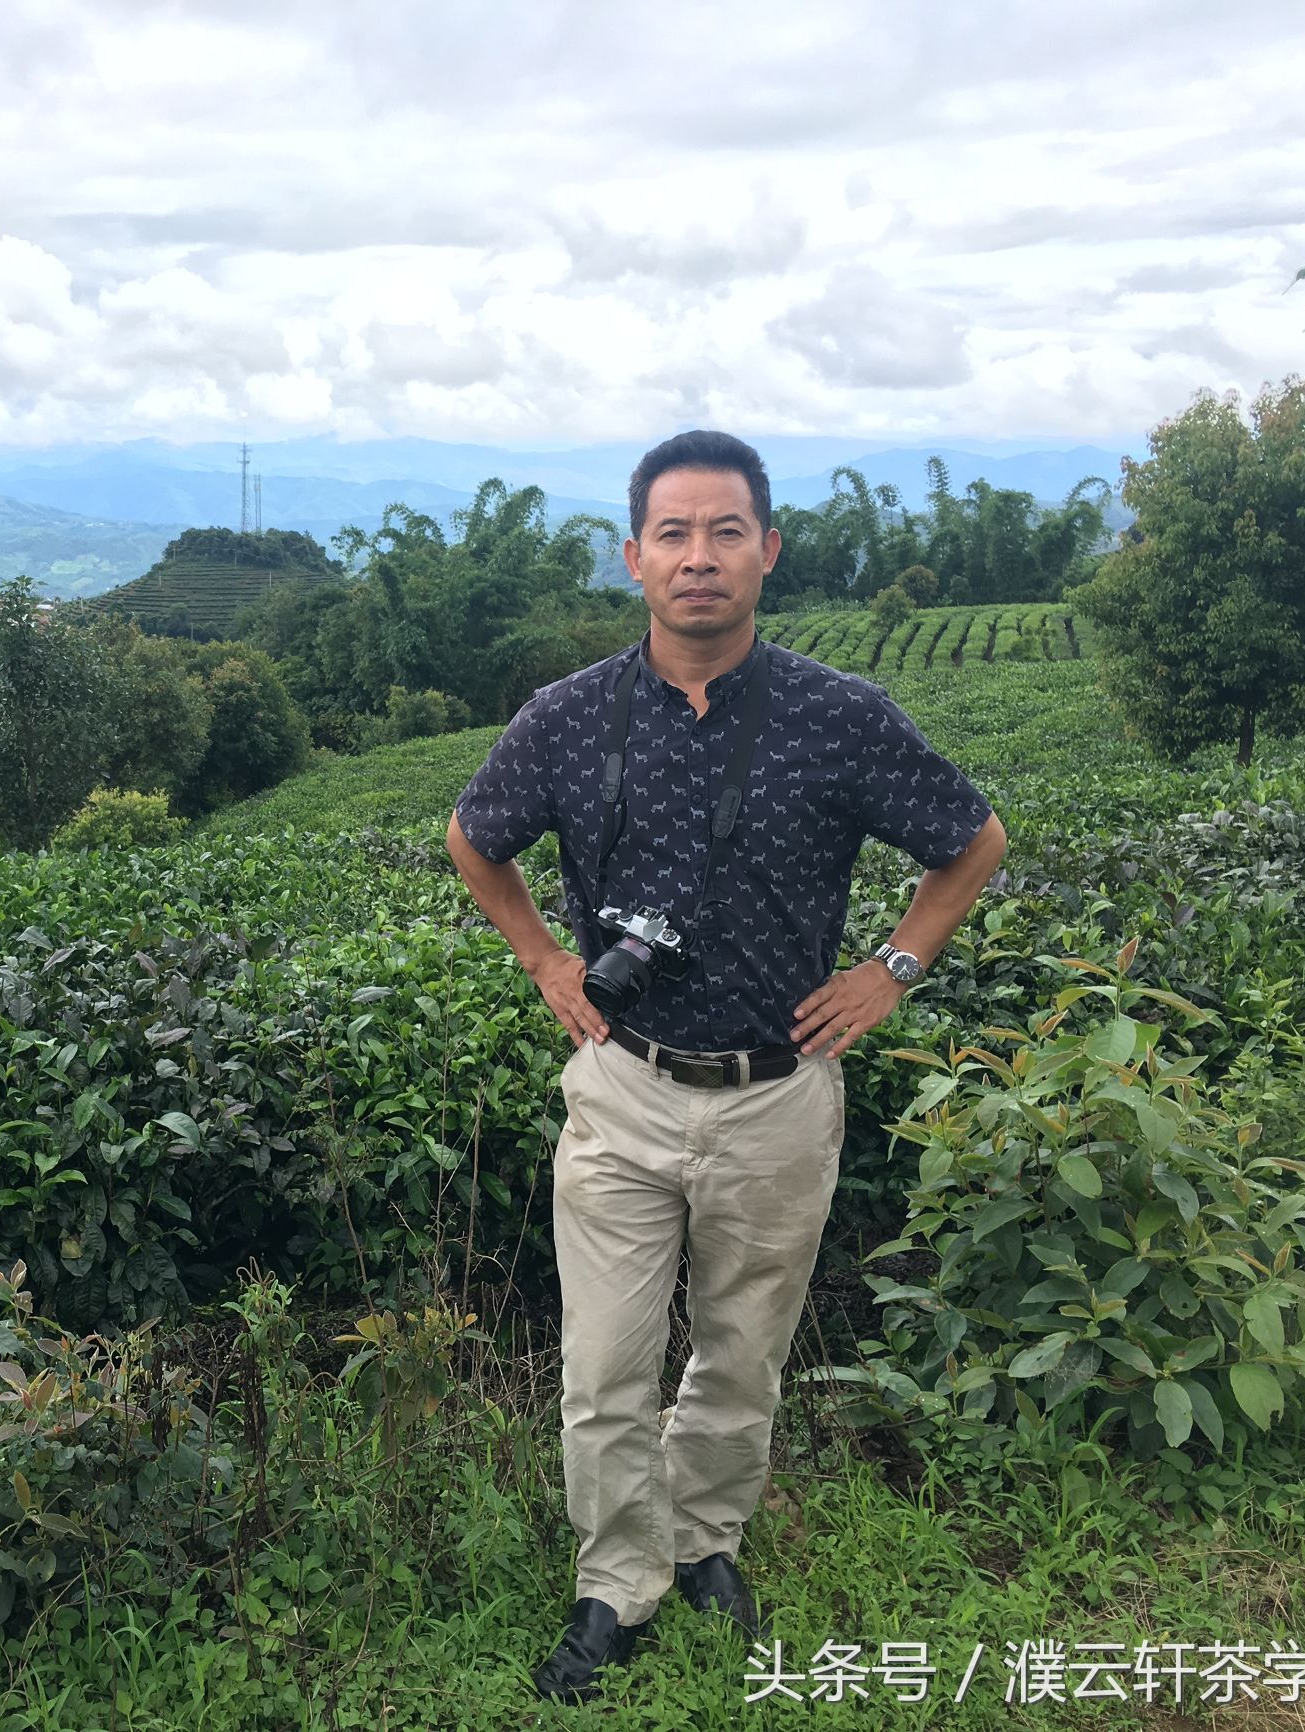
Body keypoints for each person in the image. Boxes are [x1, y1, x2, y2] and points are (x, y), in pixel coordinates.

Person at [446, 430, 1007, 1704]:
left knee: (741, 1351)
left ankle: (705, 1546)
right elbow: (473, 839)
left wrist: (892, 969)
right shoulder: (566, 715)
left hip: (776, 1096)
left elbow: (970, 842)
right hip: (624, 1085)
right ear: (633, 554)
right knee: (603, 1363)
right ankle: (615, 1578)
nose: (699, 557)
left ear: (766, 548)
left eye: (725, 531)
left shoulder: (837, 716)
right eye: (674, 534)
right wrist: (542, 957)